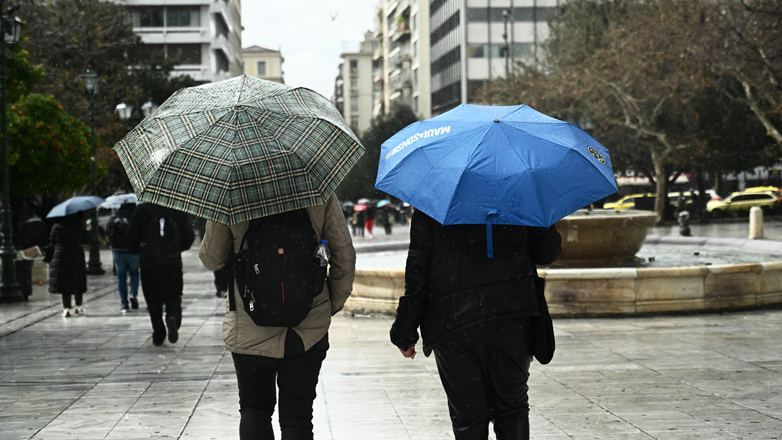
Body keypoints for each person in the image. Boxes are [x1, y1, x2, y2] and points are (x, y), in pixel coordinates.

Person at [390, 210, 561, 440]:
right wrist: (542, 220)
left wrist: (405, 331)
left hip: (453, 324)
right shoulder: (517, 193)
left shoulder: (434, 200)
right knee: (512, 410)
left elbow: (418, 274)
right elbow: (547, 253)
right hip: (510, 316)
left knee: (469, 418)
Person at [199, 194, 356, 440]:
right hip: (307, 327)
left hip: (250, 326)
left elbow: (211, 259)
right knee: (298, 417)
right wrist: (327, 304)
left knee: (255, 410)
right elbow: (344, 254)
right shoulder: (318, 187)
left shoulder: (230, 191)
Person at [127, 203, 195, 346]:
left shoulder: (142, 209)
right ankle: (173, 317)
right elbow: (189, 236)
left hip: (149, 263)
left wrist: (139, 248)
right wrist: (176, 248)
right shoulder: (177, 208)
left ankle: (159, 331)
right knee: (174, 295)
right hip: (172, 263)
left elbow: (131, 236)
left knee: (153, 300)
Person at [43, 213, 90, 317]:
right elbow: (86, 240)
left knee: (65, 283)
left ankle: (66, 308)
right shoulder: (78, 225)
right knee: (78, 280)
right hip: (76, 255)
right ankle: (78, 306)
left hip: (61, 255)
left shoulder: (57, 226)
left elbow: (52, 241)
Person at [107, 202, 140, 313]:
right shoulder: (136, 218)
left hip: (118, 251)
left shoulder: (114, 218)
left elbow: (108, 233)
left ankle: (124, 304)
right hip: (133, 251)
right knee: (134, 273)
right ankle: (133, 293)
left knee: (121, 277)